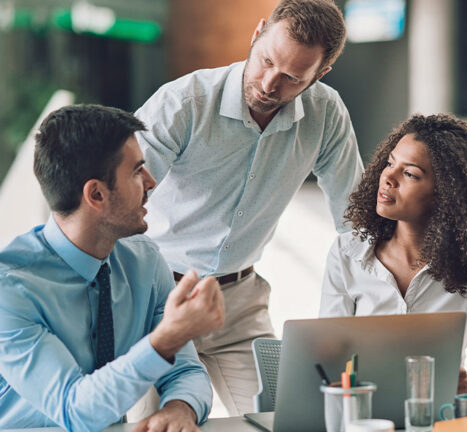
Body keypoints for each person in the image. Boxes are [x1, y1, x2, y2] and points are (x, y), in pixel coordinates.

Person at [133, 0, 363, 415]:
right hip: (154, 297)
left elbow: (356, 222)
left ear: (320, 75)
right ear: (256, 34)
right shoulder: (184, 102)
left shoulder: (326, 114)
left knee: (285, 420)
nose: (269, 84)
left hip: (239, 307)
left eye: (292, 77)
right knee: (150, 425)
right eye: (266, 61)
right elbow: (119, 200)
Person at [0, 105, 225, 431]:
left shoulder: (144, 261)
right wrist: (165, 340)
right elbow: (74, 409)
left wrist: (181, 408)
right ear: (96, 194)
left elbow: (185, 370)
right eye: (137, 171)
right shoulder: (10, 289)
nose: (151, 182)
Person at [319, 113, 467, 396]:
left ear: (447, 194)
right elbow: (326, 359)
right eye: (390, 163)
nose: (387, 177)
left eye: (410, 173)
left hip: (437, 415)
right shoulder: (347, 252)